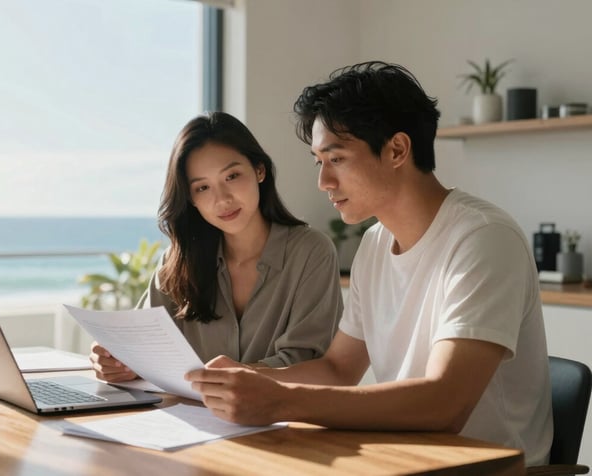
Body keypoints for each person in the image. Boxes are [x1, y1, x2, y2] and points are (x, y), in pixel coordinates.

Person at [185, 62, 553, 466]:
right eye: (318, 162)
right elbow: (338, 368)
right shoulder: (375, 244)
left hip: (489, 468)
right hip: (406, 459)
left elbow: (445, 403)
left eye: (336, 159)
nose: (323, 181)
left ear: (397, 149)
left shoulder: (482, 237)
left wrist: (283, 401)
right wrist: (242, 382)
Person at [90, 111, 343, 382]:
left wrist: (231, 378)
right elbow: (143, 350)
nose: (222, 199)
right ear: (191, 198)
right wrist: (116, 361)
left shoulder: (311, 252)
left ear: (259, 170)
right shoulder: (177, 262)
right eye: (202, 188)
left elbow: (310, 363)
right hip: (189, 420)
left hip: (287, 420)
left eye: (232, 176)